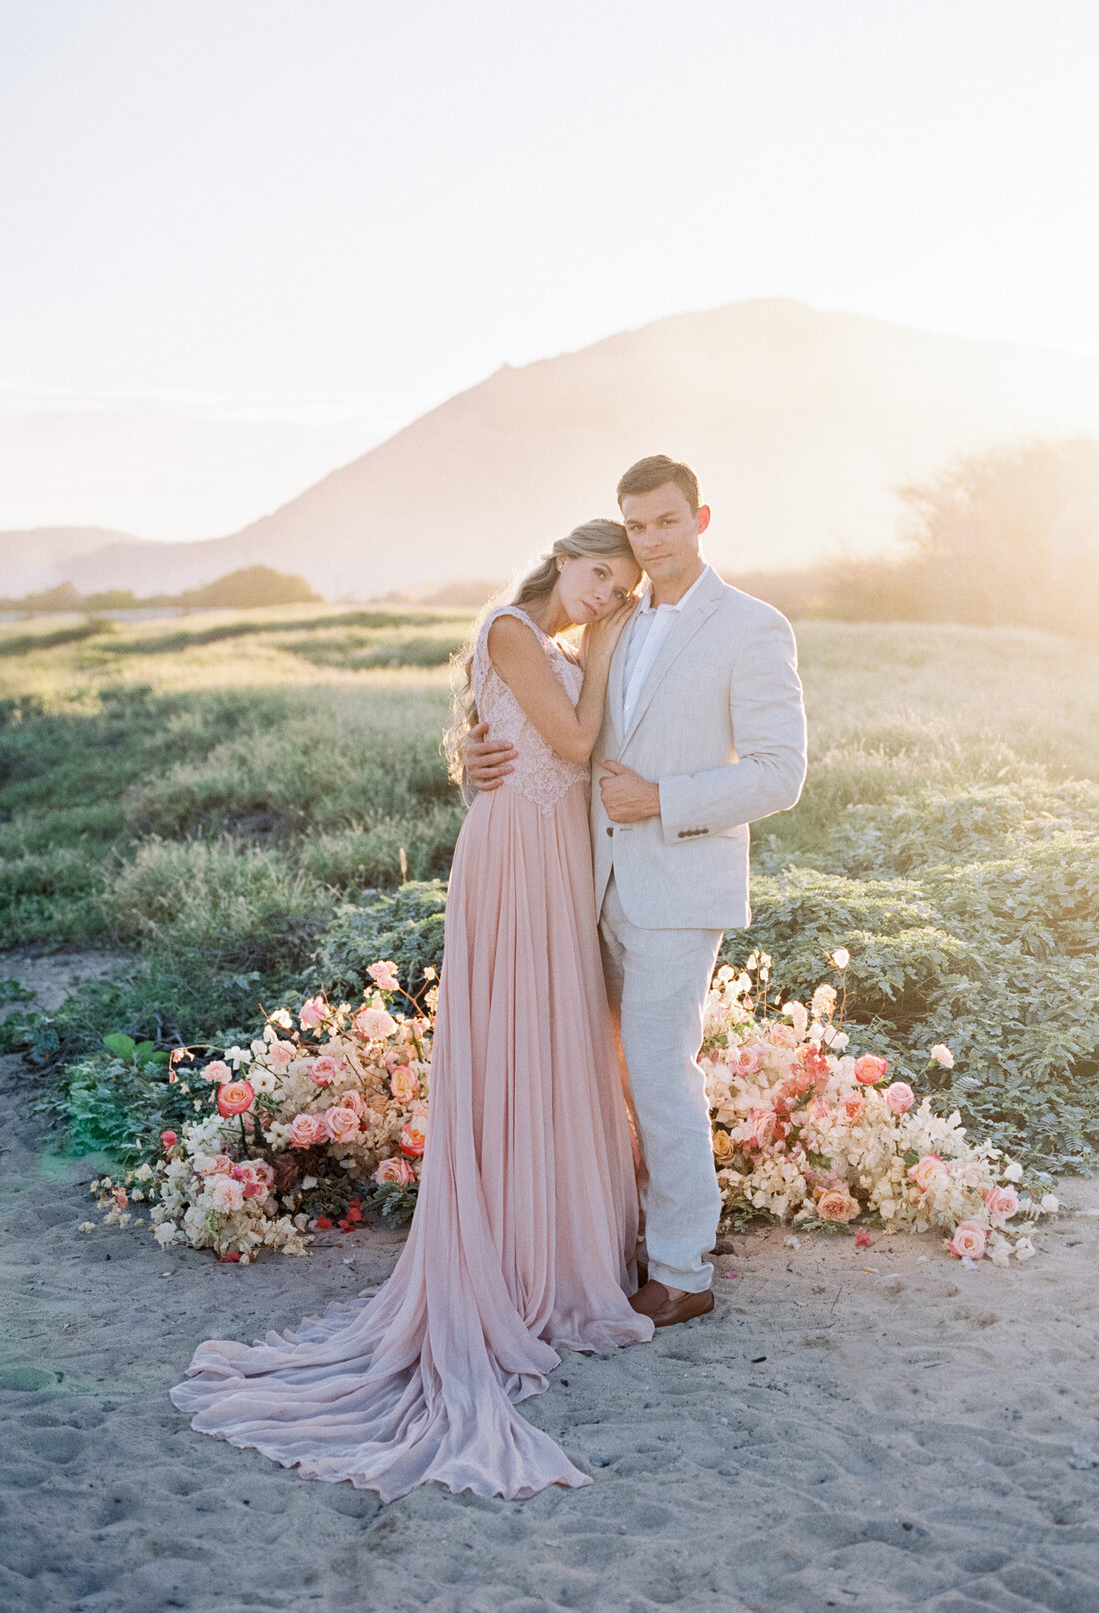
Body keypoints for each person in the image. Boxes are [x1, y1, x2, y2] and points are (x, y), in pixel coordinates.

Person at [169, 519, 653, 1502]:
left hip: (554, 862)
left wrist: (565, 682)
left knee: (554, 1048)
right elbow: (569, 738)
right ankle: (511, 1254)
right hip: (512, 863)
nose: (604, 591)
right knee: (515, 1043)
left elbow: (535, 748)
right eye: (598, 571)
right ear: (564, 555)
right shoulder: (518, 628)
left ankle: (556, 1251)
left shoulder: (551, 648)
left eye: (620, 583)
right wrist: (599, 653)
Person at [465, 456, 807, 1328]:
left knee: (658, 1071)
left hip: (679, 879)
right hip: (582, 885)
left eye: (664, 523)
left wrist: (663, 800)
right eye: (635, 526)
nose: (650, 541)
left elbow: (781, 773)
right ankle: (628, 1239)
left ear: (699, 517)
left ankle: (684, 1270)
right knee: (599, 1075)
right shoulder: (606, 622)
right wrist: (472, 763)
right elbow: (544, 737)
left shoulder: (753, 627)